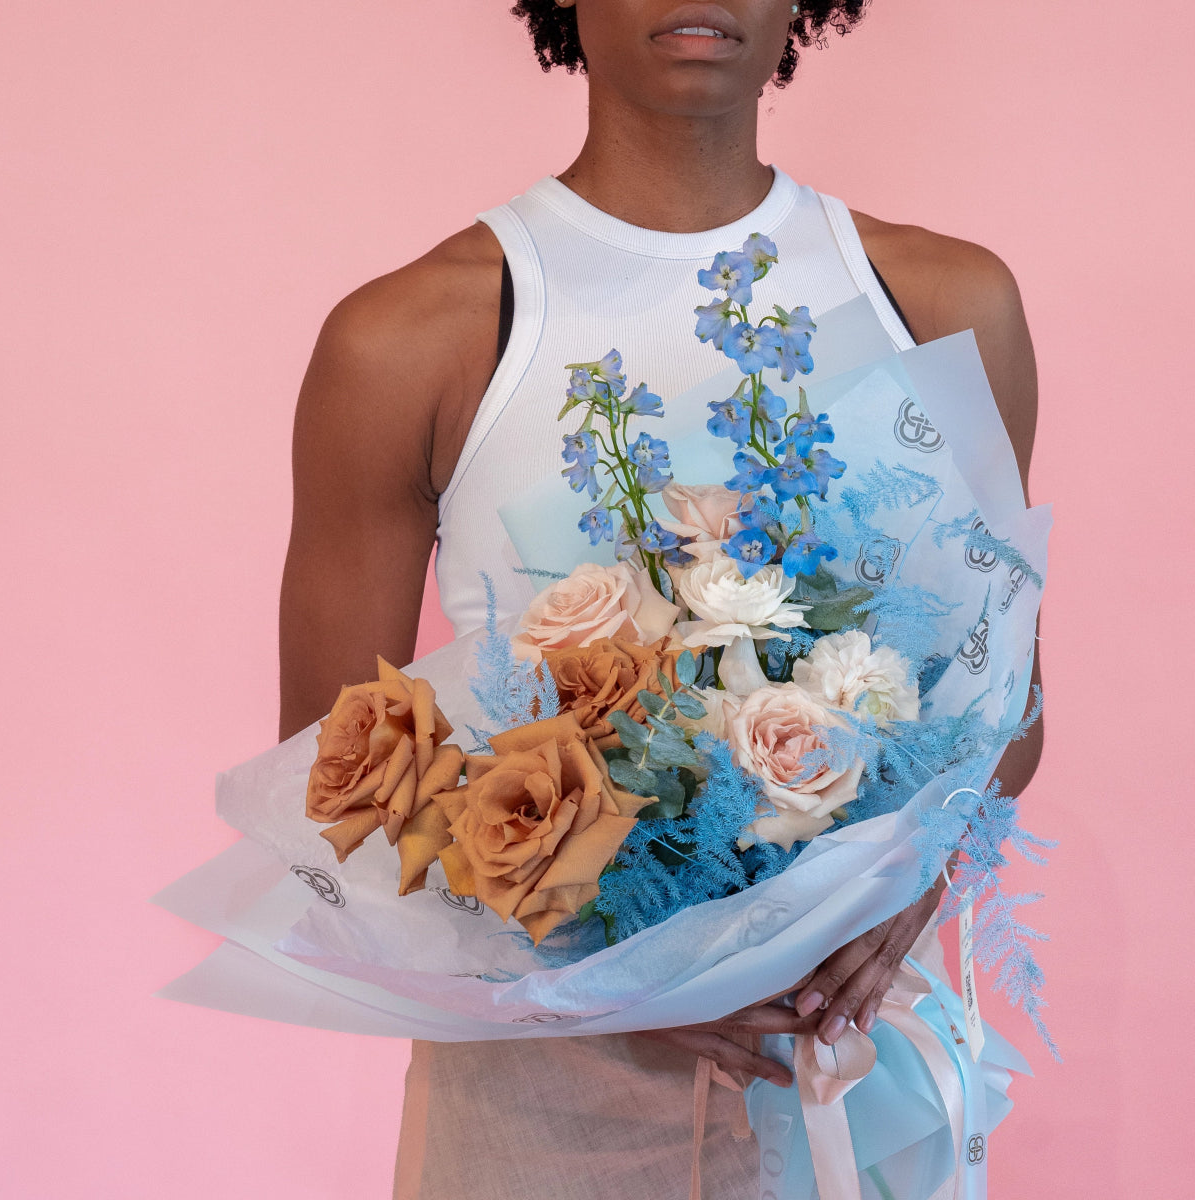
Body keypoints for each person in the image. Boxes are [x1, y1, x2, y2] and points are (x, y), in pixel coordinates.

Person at [278, 2, 1043, 1195]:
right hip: (541, 1111)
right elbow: (340, 771)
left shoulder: (945, 302)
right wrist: (604, 979)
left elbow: (1011, 706)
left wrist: (913, 886)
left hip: (850, 1075)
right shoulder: (410, 338)